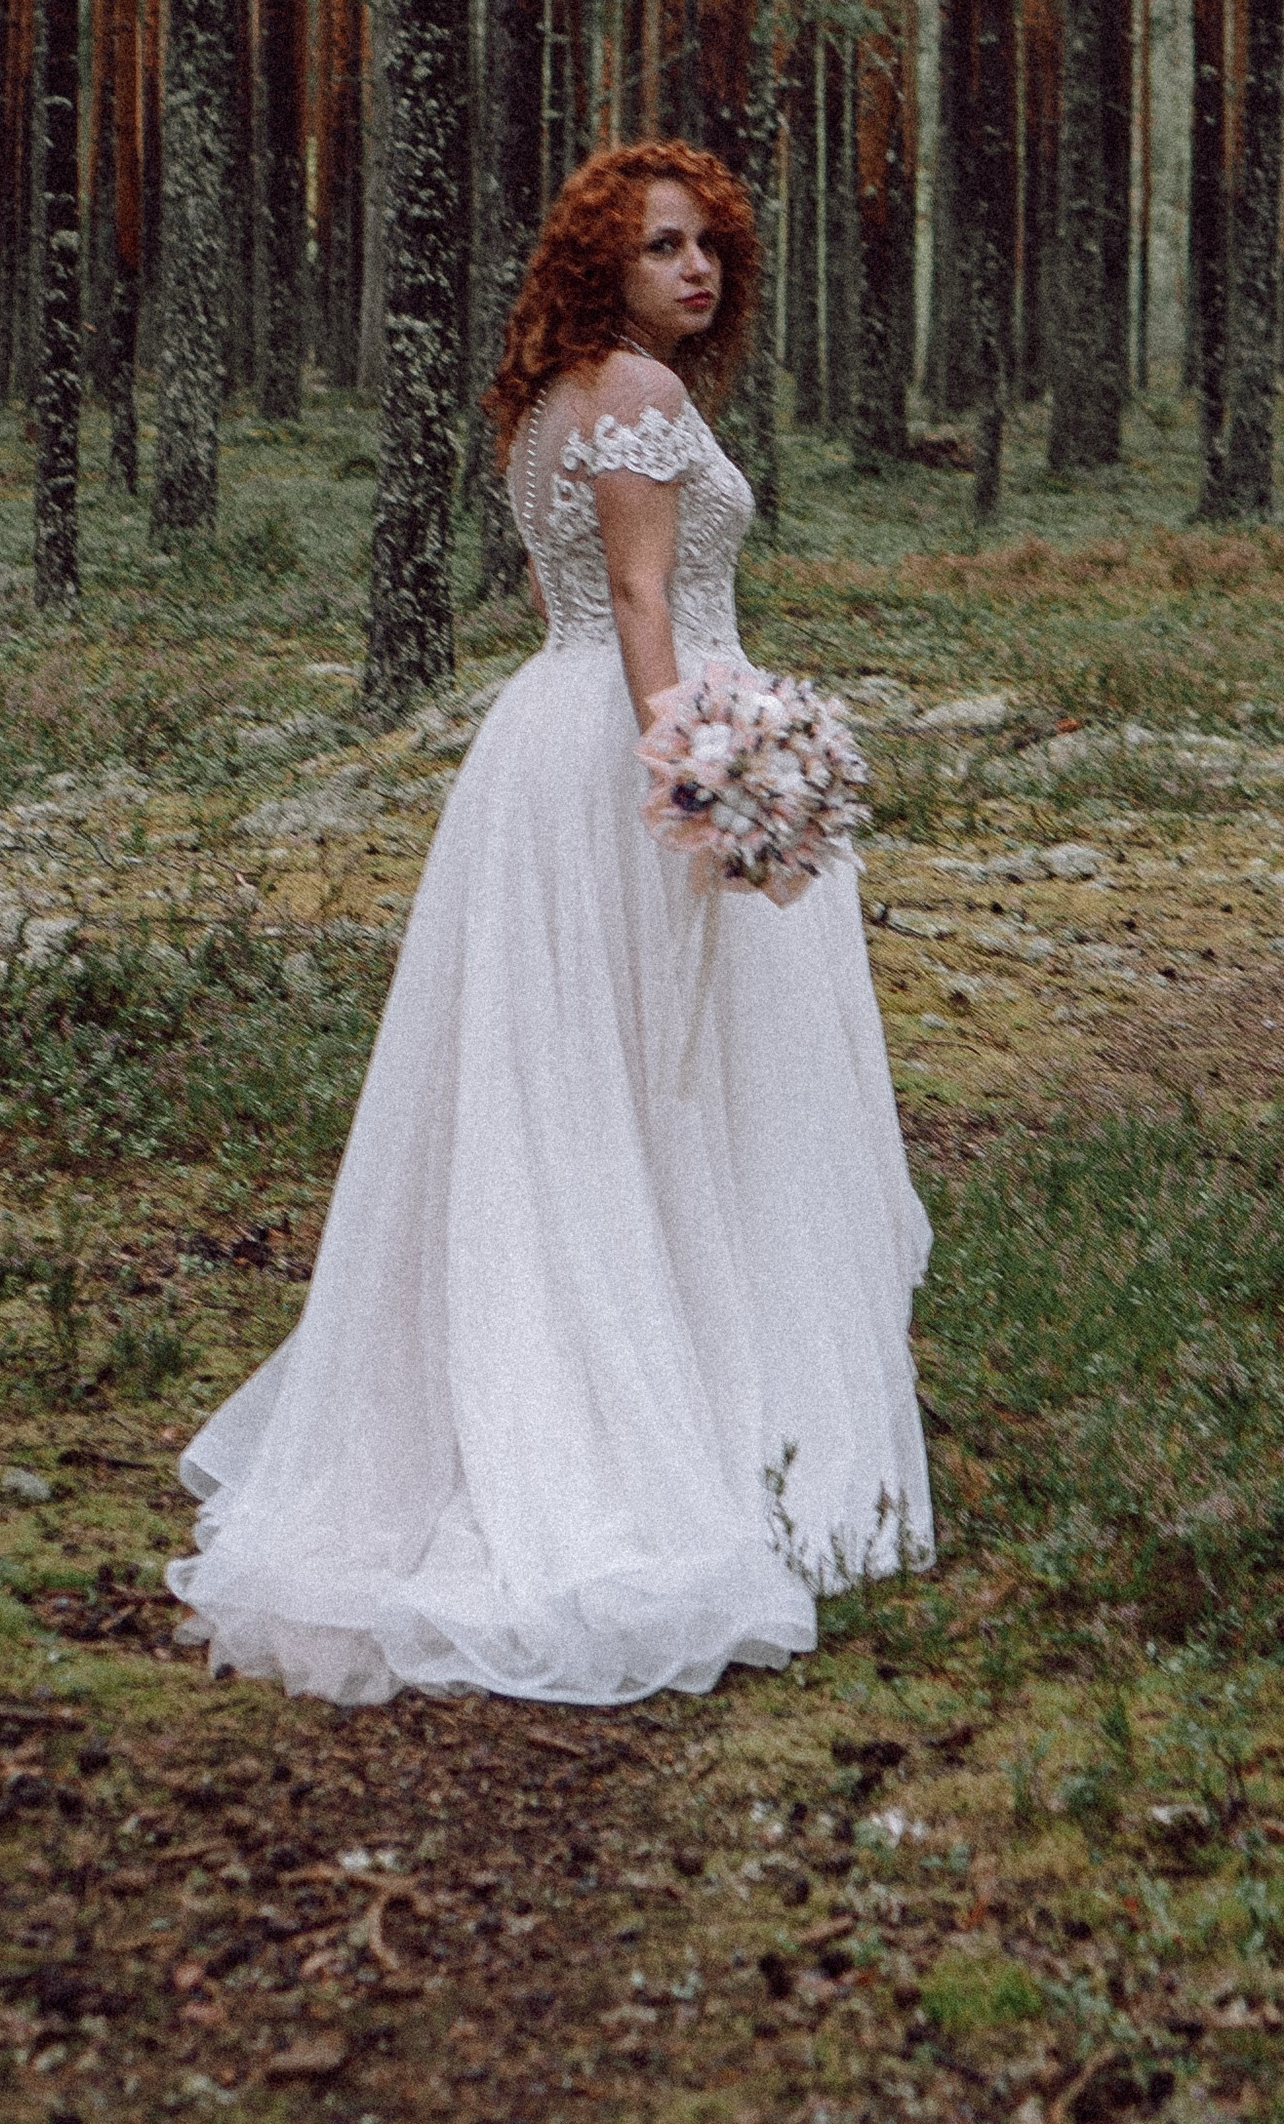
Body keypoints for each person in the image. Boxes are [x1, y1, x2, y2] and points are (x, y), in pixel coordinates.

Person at [167, 140, 933, 1707]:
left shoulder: (544, 405)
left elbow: (554, 597)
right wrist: (698, 771)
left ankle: (630, 1378)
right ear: (603, 263)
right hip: (636, 742)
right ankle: (692, 1424)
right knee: (668, 1078)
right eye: (662, 246)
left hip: (546, 741)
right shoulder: (636, 397)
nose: (696, 269)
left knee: (582, 1083)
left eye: (708, 244)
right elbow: (643, 602)